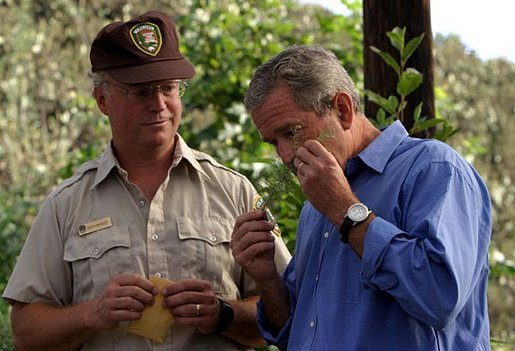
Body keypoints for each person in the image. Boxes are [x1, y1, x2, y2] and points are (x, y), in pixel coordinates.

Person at [2, 10, 291, 351]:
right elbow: (25, 334)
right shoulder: (66, 204)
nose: (159, 105)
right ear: (101, 100)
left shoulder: (234, 191)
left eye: (168, 88)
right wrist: (93, 314)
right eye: (139, 92)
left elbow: (285, 315)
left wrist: (222, 314)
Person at [230, 45, 492, 350]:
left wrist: (345, 211)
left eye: (292, 132)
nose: (286, 155)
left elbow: (440, 297)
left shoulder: (434, 168)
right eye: (274, 142)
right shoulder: (315, 208)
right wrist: (266, 279)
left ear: (342, 109)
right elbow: (297, 331)